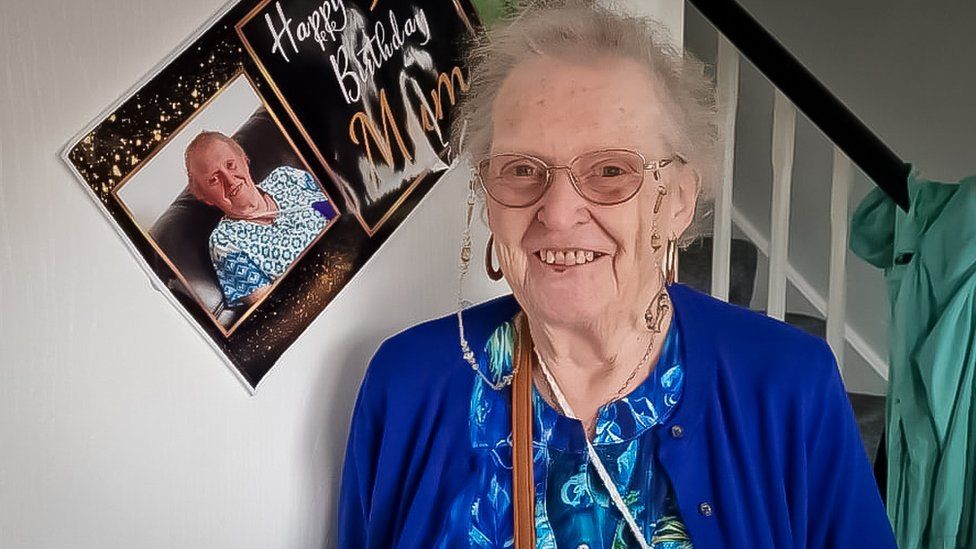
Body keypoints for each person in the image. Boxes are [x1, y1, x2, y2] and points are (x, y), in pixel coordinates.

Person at [338, 2, 895, 547]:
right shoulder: (407, 383)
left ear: (677, 200)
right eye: (522, 170)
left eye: (610, 171)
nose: (557, 213)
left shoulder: (789, 386)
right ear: (488, 198)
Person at [184, 131, 335, 307]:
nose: (230, 180)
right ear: (206, 198)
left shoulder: (286, 177)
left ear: (244, 159)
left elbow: (343, 208)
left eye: (230, 164)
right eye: (214, 179)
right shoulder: (224, 242)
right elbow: (273, 307)